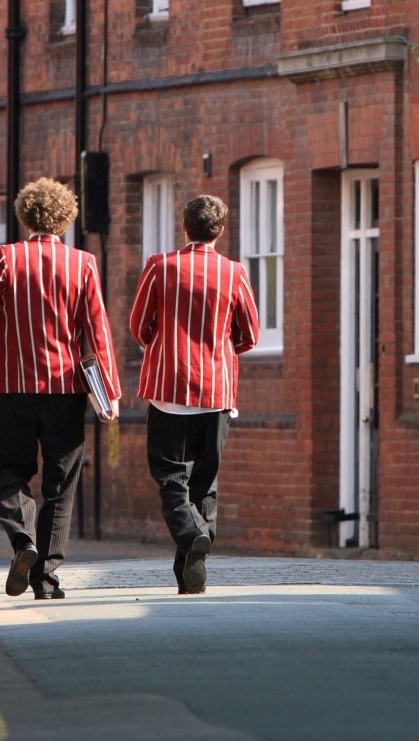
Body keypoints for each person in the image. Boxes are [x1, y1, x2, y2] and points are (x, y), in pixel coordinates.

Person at [0, 177, 121, 600]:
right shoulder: (83, 263)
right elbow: (99, 332)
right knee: (61, 482)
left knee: (12, 473)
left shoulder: (6, 257)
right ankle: (47, 579)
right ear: (66, 218)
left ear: (25, 215)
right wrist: (109, 391)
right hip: (65, 389)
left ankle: (23, 541)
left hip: (12, 388)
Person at [128, 194, 260, 594]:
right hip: (217, 393)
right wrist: (217, 351)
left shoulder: (160, 266)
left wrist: (166, 343)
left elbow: (139, 326)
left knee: (171, 478)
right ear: (220, 230)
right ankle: (191, 572)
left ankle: (191, 535)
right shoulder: (235, 273)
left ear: (185, 225)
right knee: (205, 482)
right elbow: (250, 335)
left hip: (169, 390)